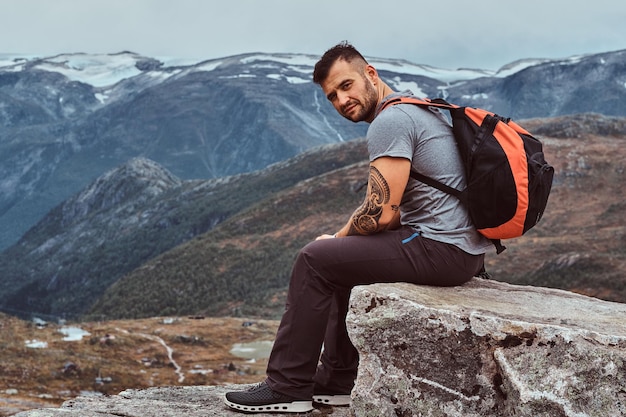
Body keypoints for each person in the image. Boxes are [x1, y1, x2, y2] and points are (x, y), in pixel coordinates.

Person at [224, 41, 492, 413]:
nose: (341, 100)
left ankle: (287, 387)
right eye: (332, 96)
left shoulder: (391, 121)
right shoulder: (418, 109)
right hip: (463, 250)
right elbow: (396, 210)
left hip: (441, 249)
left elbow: (380, 213)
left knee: (316, 259)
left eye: (346, 85)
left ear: (370, 74)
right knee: (341, 260)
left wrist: (334, 239)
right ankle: (335, 382)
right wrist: (343, 243)